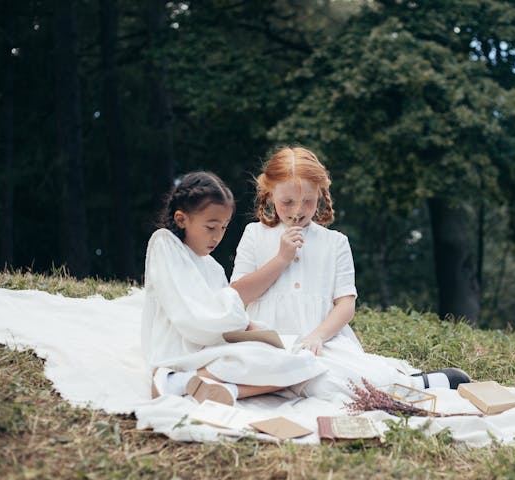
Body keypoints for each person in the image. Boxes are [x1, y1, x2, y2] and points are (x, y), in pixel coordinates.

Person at [230, 146, 469, 403]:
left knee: (328, 383)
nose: (297, 211)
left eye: (308, 201)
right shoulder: (254, 235)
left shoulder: (335, 243)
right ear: (269, 192)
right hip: (270, 345)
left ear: (320, 195)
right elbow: (238, 294)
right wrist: (280, 259)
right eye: (287, 202)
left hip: (322, 343)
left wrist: (317, 337)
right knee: (289, 377)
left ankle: (413, 383)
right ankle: (407, 384)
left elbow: (346, 305)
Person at [141, 171, 325, 406]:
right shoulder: (165, 243)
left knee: (303, 363)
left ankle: (221, 388)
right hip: (179, 351)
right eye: (210, 227)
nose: (217, 236)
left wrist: (253, 331)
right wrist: (242, 323)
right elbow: (193, 317)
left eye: (224, 228)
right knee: (260, 360)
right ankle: (175, 379)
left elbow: (223, 313)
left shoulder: (212, 266)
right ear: (181, 219)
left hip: (210, 348)